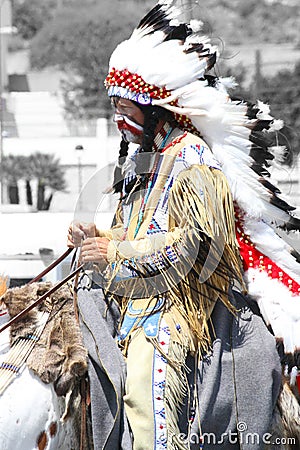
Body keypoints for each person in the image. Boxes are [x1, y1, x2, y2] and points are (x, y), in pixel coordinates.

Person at [68, 2, 300, 449]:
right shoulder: (141, 163)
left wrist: (113, 253)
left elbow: (195, 243)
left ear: (157, 109)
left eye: (127, 108)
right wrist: (99, 237)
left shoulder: (192, 159)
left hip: (176, 306)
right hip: (131, 291)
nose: (120, 119)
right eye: (114, 107)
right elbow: (134, 229)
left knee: (141, 385)